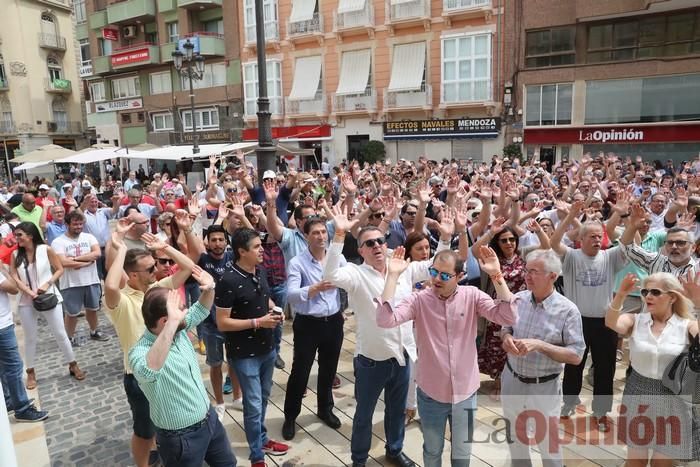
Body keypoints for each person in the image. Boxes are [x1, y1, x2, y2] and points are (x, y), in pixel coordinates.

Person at [377, 247, 518, 467]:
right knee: (432, 450)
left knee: (462, 452)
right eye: (434, 272)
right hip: (431, 393)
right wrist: (392, 276)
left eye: (445, 275)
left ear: (460, 276)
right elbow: (385, 320)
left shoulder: (472, 295)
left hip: (465, 392)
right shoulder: (419, 300)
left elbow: (508, 315)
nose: (436, 279)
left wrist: (496, 276)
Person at [323, 208, 417, 467]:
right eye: (369, 243)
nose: (376, 246)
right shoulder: (356, 274)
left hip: (402, 356)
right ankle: (359, 460)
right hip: (372, 361)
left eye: (380, 241)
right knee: (364, 415)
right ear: (361, 251)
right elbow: (330, 275)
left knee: (396, 411)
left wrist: (445, 237)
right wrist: (339, 234)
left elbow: (441, 265)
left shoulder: (402, 268)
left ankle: (394, 450)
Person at [105, 224, 195, 467]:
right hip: (139, 376)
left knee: (166, 423)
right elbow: (111, 286)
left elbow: (188, 267)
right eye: (150, 268)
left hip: (168, 369)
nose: (157, 270)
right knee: (144, 432)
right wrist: (120, 248)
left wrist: (164, 247)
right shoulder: (121, 302)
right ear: (133, 275)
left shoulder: (157, 289)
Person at [129, 270, 237, 467]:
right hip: (180, 439)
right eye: (181, 309)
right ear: (164, 321)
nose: (186, 311)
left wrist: (210, 287)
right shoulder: (139, 352)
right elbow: (147, 371)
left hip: (209, 419)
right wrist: (172, 323)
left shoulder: (179, 330)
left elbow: (202, 309)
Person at [500, 249, 585, 467]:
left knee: (548, 444)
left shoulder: (568, 310)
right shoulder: (518, 299)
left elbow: (576, 355)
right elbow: (505, 329)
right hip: (512, 379)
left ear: (553, 276)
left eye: (535, 272)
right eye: (527, 270)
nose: (527, 276)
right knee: (516, 440)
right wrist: (507, 338)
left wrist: (539, 345)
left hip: (544, 387)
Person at [605, 272, 700, 464]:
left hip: (674, 398)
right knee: (636, 462)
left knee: (661, 463)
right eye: (645, 291)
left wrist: (698, 302)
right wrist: (621, 294)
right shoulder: (636, 320)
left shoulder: (686, 325)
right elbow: (611, 322)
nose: (648, 296)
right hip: (637, 393)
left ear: (672, 297)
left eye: (656, 292)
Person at [550, 200, 627, 431]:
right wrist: (570, 215)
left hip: (605, 322)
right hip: (577, 321)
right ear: (580, 240)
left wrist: (623, 216)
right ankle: (568, 402)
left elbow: (626, 244)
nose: (595, 240)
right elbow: (554, 242)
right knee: (574, 366)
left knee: (606, 368)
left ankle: (601, 412)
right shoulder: (572, 256)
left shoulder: (610, 256)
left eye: (598, 236)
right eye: (590, 236)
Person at [215, 228, 289, 467]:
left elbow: (263, 296)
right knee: (254, 404)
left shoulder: (260, 271)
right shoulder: (227, 280)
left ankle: (262, 438)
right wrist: (258, 322)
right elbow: (222, 322)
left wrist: (274, 309)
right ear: (241, 251)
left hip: (267, 348)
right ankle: (257, 455)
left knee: (263, 399)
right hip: (244, 354)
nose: (262, 250)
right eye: (257, 247)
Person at [282, 218, 345, 440]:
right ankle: (291, 415)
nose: (320, 236)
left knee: (329, 369)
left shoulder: (338, 258)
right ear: (306, 236)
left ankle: (325, 409)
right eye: (315, 233)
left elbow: (350, 279)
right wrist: (315, 288)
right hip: (308, 324)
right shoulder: (298, 262)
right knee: (301, 371)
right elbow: (290, 294)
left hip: (334, 321)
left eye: (323, 232)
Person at [8, 222, 84, 390]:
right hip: (25, 300)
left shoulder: (46, 249)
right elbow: (14, 275)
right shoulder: (15, 254)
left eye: (20, 235)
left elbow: (59, 269)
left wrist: (47, 284)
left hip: (48, 295)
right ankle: (30, 372)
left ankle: (72, 363)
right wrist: (28, 290)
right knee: (30, 338)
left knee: (60, 333)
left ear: (30, 235)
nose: (17, 238)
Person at [185, 223, 243, 420]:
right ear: (207, 243)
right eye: (213, 240)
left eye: (221, 239)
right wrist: (188, 227)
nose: (217, 244)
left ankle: (237, 398)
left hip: (233, 322)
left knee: (235, 362)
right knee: (216, 364)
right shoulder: (202, 260)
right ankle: (219, 403)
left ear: (226, 242)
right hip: (210, 324)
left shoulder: (234, 258)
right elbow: (191, 251)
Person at [51, 210, 108, 345]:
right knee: (72, 313)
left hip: (91, 280)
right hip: (71, 283)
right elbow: (63, 262)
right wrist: (85, 261)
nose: (78, 227)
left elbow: (96, 254)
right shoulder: (58, 242)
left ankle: (94, 331)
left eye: (80, 224)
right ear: (67, 224)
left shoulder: (89, 238)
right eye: (75, 224)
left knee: (93, 309)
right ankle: (68, 338)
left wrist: (75, 259)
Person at [0, 267, 49, 422]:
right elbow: (13, 288)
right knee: (13, 366)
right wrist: (3, 269)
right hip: (2, 326)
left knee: (3, 366)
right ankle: (22, 408)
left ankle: (9, 400)